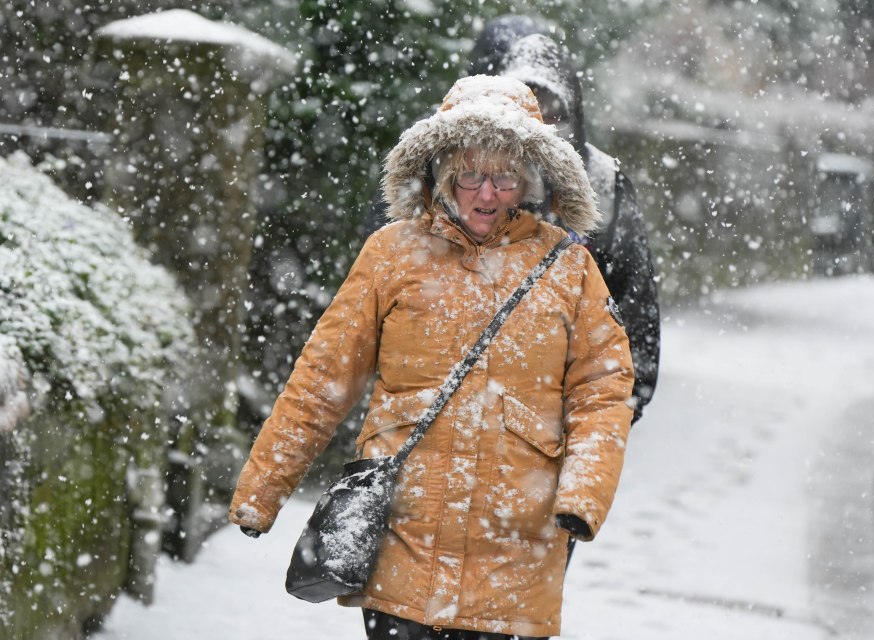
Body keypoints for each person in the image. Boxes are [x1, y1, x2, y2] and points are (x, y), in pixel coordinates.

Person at [229, 75, 635, 640]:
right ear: (442, 173)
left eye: (505, 177)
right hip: (403, 544)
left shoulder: (569, 269)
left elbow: (604, 390)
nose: (487, 194)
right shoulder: (391, 255)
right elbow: (323, 378)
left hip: (518, 555)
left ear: (531, 180)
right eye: (470, 174)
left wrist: (582, 496)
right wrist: (261, 491)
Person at [366, 18, 660, 421]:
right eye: (528, 109)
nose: (540, 129)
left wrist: (599, 419)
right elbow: (380, 294)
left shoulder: (604, 185)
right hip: (439, 418)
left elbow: (634, 315)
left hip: (553, 422)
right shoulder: (434, 171)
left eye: (552, 111)